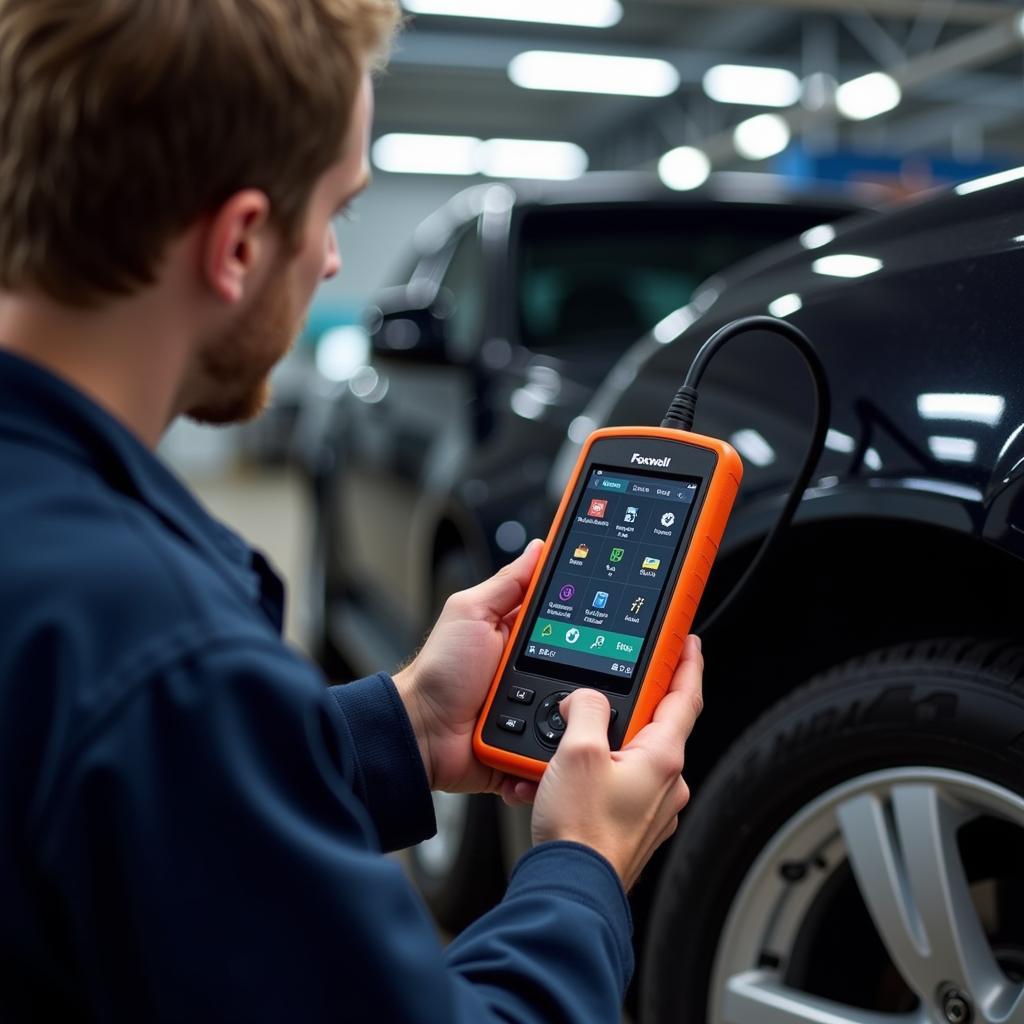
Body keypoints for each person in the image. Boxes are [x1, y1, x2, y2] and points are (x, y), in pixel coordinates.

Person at [0, 1, 704, 1020]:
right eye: (335, 209)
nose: (332, 262)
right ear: (240, 241)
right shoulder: (162, 649)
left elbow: (125, 805)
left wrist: (404, 726)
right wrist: (582, 869)